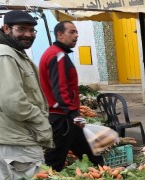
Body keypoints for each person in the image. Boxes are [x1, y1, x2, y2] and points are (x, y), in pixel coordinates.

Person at [0, 10, 53, 180]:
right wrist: (41, 121)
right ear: (6, 28)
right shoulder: (3, 54)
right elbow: (11, 102)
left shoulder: (12, 51)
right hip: (16, 139)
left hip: (12, 137)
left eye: (32, 30)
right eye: (21, 29)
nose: (28, 34)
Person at [38, 21, 103, 171]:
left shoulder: (55, 53)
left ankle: (104, 174)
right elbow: (60, 89)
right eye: (72, 32)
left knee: (91, 153)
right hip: (62, 118)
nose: (76, 35)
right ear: (60, 34)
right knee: (54, 162)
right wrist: (73, 113)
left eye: (77, 32)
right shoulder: (57, 55)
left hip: (65, 116)